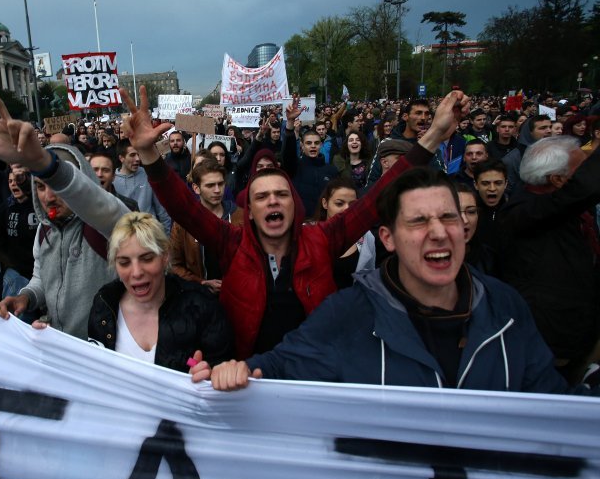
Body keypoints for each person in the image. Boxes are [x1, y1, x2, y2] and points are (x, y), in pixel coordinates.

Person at [120, 85, 464, 359]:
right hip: (248, 377)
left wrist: (433, 135)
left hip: (315, 375)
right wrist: (150, 154)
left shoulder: (324, 239)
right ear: (249, 211)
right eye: (261, 196)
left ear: (295, 205)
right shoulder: (231, 242)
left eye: (281, 194)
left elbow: (376, 201)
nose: (272, 200)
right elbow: (184, 208)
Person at [192, 167, 596, 396]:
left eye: (449, 218)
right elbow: (282, 363)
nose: (438, 232)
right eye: (418, 221)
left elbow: (550, 402)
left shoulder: (506, 309)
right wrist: (236, 371)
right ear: (387, 237)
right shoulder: (350, 313)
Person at [0, 85, 131, 338]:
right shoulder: (44, 230)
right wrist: (25, 298)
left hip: (102, 350)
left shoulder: (104, 225)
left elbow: (100, 204)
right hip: (60, 346)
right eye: (40, 187)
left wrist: (46, 167)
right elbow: (41, 279)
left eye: (57, 186)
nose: (49, 196)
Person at [498, 136, 600, 383]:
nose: (585, 170)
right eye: (580, 168)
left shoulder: (561, 209)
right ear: (557, 179)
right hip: (554, 344)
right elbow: (584, 188)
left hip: (581, 331)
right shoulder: (525, 211)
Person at [88, 212, 233, 372]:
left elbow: (222, 369)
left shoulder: (201, 305)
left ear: (165, 256)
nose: (136, 272)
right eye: (124, 262)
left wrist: (205, 372)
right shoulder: (105, 304)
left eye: (147, 259)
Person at [170, 160, 243, 293]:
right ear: (196, 188)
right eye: (210, 185)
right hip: (199, 297)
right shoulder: (183, 223)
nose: (217, 190)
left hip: (236, 294)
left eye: (220, 184)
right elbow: (175, 265)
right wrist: (201, 283)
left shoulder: (240, 217)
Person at [312, 177, 376, 289]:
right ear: (325, 203)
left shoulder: (367, 237)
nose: (346, 209)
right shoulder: (307, 233)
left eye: (352, 204)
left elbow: (369, 277)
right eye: (339, 204)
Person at [114, 139, 172, 233]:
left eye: (138, 154)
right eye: (132, 155)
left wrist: (166, 236)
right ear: (121, 158)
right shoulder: (112, 181)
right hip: (126, 238)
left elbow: (161, 209)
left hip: (151, 235)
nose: (137, 159)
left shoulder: (149, 175)